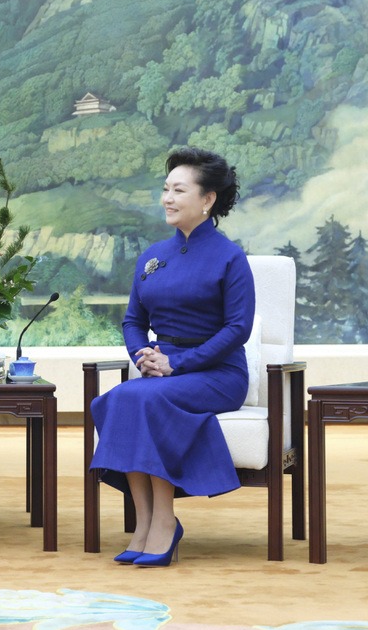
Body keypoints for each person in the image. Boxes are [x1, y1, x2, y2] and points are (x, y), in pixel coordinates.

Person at [89, 147, 254, 567]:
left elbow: (238, 329)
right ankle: (144, 523)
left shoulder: (229, 257)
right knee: (124, 396)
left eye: (179, 190)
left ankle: (164, 521)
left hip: (217, 373)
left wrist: (176, 364)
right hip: (162, 369)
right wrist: (141, 354)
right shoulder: (152, 257)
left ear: (207, 199)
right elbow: (131, 320)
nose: (167, 198)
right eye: (165, 189)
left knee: (143, 398)